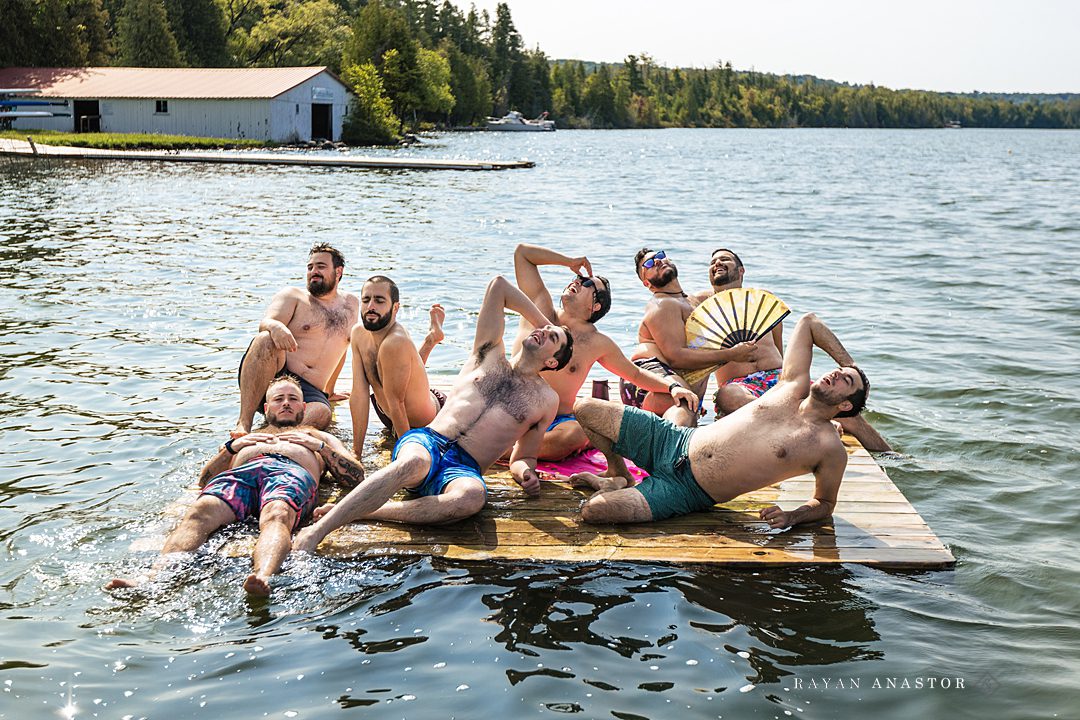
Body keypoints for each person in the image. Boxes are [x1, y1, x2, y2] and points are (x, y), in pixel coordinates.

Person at [292, 276, 574, 552]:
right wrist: (545, 322)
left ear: (552, 361)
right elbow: (498, 286)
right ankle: (319, 530)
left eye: (552, 337)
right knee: (412, 463)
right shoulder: (488, 353)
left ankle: (370, 511)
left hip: (464, 468)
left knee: (472, 498)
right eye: (545, 329)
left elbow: (523, 457)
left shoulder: (545, 400)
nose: (544, 331)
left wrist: (526, 474)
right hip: (430, 440)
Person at [571, 313, 869, 529]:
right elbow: (809, 323)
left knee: (594, 511)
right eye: (838, 370)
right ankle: (619, 474)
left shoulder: (829, 448)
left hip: (686, 492)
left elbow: (826, 505)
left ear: (845, 405)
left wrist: (793, 516)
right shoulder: (791, 387)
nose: (835, 373)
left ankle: (615, 488)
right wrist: (851, 366)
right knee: (585, 408)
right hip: (671, 439)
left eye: (846, 380)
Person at [106, 376, 366, 596]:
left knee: (277, 513)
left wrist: (320, 448)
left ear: (303, 406)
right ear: (266, 408)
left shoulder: (319, 436)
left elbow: (356, 478)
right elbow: (204, 482)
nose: (286, 403)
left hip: (289, 475)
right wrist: (230, 449)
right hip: (242, 477)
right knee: (201, 509)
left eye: (292, 399)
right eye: (278, 399)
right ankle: (154, 578)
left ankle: (263, 577)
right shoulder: (248, 438)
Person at [510, 243, 699, 460]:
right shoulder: (540, 309)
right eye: (578, 279)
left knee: (576, 435)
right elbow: (523, 254)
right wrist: (569, 261)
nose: (576, 282)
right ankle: (513, 449)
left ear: (596, 305)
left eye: (586, 283)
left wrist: (673, 387)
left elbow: (635, 375)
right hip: (510, 408)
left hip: (554, 420)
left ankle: (503, 449)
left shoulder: (597, 342)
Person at [694, 248, 892, 452]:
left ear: (741, 270)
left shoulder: (762, 299)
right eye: (712, 262)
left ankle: (892, 456)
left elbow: (779, 347)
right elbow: (690, 355)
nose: (717, 263)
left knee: (850, 414)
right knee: (728, 396)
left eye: (724, 259)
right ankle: (806, 420)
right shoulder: (699, 304)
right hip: (740, 385)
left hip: (778, 377)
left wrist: (788, 378)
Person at [233, 243, 359, 437]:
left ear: (338, 271)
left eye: (321, 266)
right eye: (310, 267)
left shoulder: (351, 305)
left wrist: (330, 391)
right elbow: (266, 322)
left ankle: (270, 435)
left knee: (322, 413)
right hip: (273, 376)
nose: (314, 271)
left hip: (308, 390)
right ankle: (244, 424)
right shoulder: (293, 296)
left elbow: (342, 347)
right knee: (266, 338)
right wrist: (276, 327)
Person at [629, 247, 759, 426]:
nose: (658, 261)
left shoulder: (690, 301)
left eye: (660, 256)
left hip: (677, 387)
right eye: (649, 264)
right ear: (646, 283)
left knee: (689, 409)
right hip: (650, 387)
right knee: (685, 412)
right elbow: (676, 357)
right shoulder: (663, 304)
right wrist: (731, 354)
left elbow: (725, 292)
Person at [350, 275, 446, 455]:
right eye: (366, 300)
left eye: (379, 301)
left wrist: (407, 454)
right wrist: (356, 452)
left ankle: (431, 340)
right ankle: (431, 339)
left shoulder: (395, 341)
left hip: (428, 420)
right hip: (389, 415)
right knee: (394, 372)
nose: (371, 306)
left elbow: (398, 404)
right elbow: (359, 394)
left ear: (395, 308)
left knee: (396, 369)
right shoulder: (358, 333)